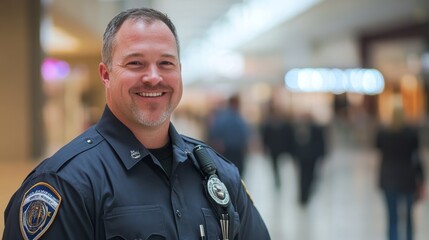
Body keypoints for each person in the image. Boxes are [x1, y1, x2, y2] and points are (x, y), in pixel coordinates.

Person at [3, 8, 270, 240]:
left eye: (165, 63)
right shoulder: (67, 184)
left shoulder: (218, 175)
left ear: (179, 71)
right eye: (136, 63)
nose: (153, 77)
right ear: (106, 75)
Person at [375, 108, 425, 240]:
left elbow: (378, 147)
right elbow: (416, 157)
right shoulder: (410, 133)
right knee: (408, 216)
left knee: (392, 217)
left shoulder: (384, 133)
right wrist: (422, 179)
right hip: (407, 179)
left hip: (388, 179)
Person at [207, 94, 251, 175]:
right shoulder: (234, 117)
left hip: (231, 150)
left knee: (231, 171)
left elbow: (215, 132)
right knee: (237, 171)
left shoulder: (224, 116)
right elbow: (245, 132)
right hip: (232, 150)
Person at [291, 112, 326, 206]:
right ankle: (302, 196)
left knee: (311, 176)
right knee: (302, 177)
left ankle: (307, 193)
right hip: (301, 157)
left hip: (312, 157)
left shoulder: (316, 129)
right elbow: (293, 144)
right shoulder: (297, 128)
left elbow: (321, 143)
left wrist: (321, 155)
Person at [260, 99, 294, 190]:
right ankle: (277, 181)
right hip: (273, 149)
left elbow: (288, 137)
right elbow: (265, 138)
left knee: (282, 167)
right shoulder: (269, 125)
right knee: (275, 166)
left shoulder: (284, 125)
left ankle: (279, 180)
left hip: (281, 149)